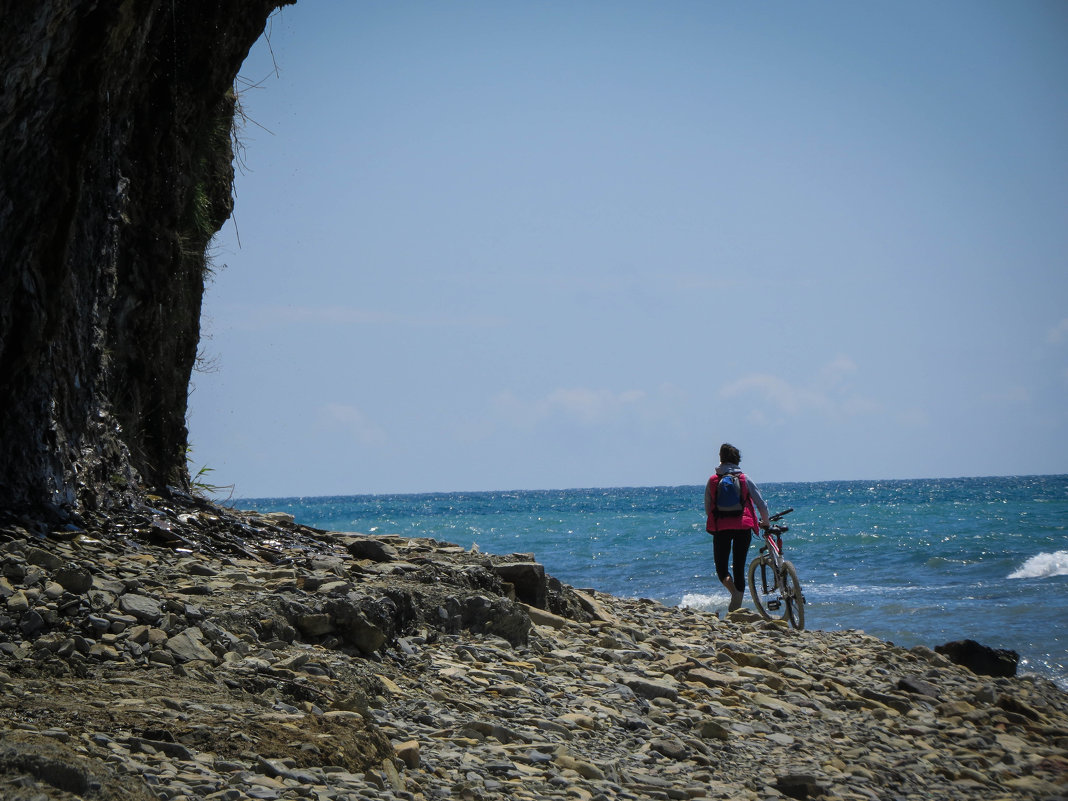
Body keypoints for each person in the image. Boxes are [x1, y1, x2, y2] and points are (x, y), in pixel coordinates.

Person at [705, 443, 770, 612]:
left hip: (721, 528)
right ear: (737, 459)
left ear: (720, 458)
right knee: (739, 566)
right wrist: (765, 522)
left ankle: (733, 592)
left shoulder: (713, 480)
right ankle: (737, 606)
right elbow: (761, 504)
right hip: (743, 526)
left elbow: (708, 508)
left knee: (721, 569)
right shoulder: (744, 479)